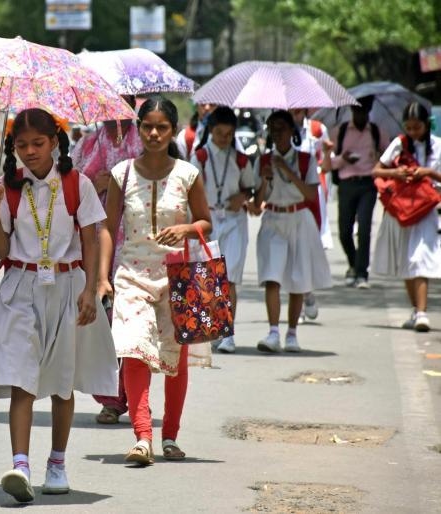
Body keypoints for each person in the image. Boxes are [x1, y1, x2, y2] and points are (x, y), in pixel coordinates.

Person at [0, 108, 118, 503]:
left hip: (67, 285)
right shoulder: (6, 188)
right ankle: (20, 464)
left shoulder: (77, 184)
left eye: (38, 143)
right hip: (20, 287)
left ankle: (57, 463)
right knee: (20, 376)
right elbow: (0, 249)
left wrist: (91, 289)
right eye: (21, 145)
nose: (30, 151)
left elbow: (91, 238)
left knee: (62, 380)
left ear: (55, 142)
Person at [97, 97, 212, 466]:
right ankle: (143, 437)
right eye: (147, 126)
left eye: (162, 127)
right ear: (138, 129)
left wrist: (187, 229)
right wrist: (101, 277)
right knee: (133, 352)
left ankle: (171, 436)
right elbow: (106, 227)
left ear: (173, 131)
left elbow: (206, 222)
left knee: (175, 360)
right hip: (131, 276)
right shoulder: (122, 173)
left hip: (177, 278)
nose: (154, 133)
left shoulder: (188, 174)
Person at [71, 95, 143, 425]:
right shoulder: (89, 142)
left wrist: (117, 183)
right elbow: (71, 183)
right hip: (98, 239)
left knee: (134, 319)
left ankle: (136, 394)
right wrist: (94, 183)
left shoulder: (145, 139)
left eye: (122, 101)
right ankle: (111, 398)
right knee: (107, 319)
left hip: (137, 238)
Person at [253, 110, 332, 353]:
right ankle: (273, 332)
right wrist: (265, 180)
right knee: (272, 277)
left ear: (291, 131)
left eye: (282, 128)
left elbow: (311, 195)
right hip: (273, 220)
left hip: (299, 219)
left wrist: (287, 170)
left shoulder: (306, 160)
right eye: (273, 129)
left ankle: (292, 333)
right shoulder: (263, 161)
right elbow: (257, 204)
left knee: (298, 278)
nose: (277, 133)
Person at [190, 106, 255, 353]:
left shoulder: (240, 158)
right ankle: (214, 327)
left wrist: (243, 196)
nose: (224, 139)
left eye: (229, 134)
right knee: (209, 278)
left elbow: (249, 186)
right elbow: (190, 191)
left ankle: (228, 333)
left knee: (229, 278)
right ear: (210, 130)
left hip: (234, 219)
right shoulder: (200, 157)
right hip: (208, 219)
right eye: (219, 133)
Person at [372, 102, 441, 332]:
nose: (413, 132)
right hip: (403, 209)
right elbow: (377, 170)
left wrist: (428, 173)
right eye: (408, 127)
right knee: (406, 262)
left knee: (420, 258)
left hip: (428, 209)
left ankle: (422, 312)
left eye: (417, 127)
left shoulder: (438, 146)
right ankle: (415, 309)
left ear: (427, 125)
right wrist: (396, 173)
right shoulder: (399, 144)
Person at [328, 96, 388, 288]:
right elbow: (328, 162)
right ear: (352, 111)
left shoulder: (377, 132)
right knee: (344, 231)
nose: (360, 115)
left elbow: (389, 158)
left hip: (368, 184)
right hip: (347, 183)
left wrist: (378, 158)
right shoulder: (341, 131)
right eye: (357, 111)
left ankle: (362, 273)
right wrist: (343, 159)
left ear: (369, 111)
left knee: (364, 229)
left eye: (363, 111)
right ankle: (353, 264)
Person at [290, 108, 334, 323]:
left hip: (312, 193)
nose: (295, 109)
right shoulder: (280, 128)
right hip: (288, 192)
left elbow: (325, 167)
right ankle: (300, 300)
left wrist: (327, 152)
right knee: (291, 249)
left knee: (307, 246)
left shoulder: (317, 129)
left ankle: (306, 293)